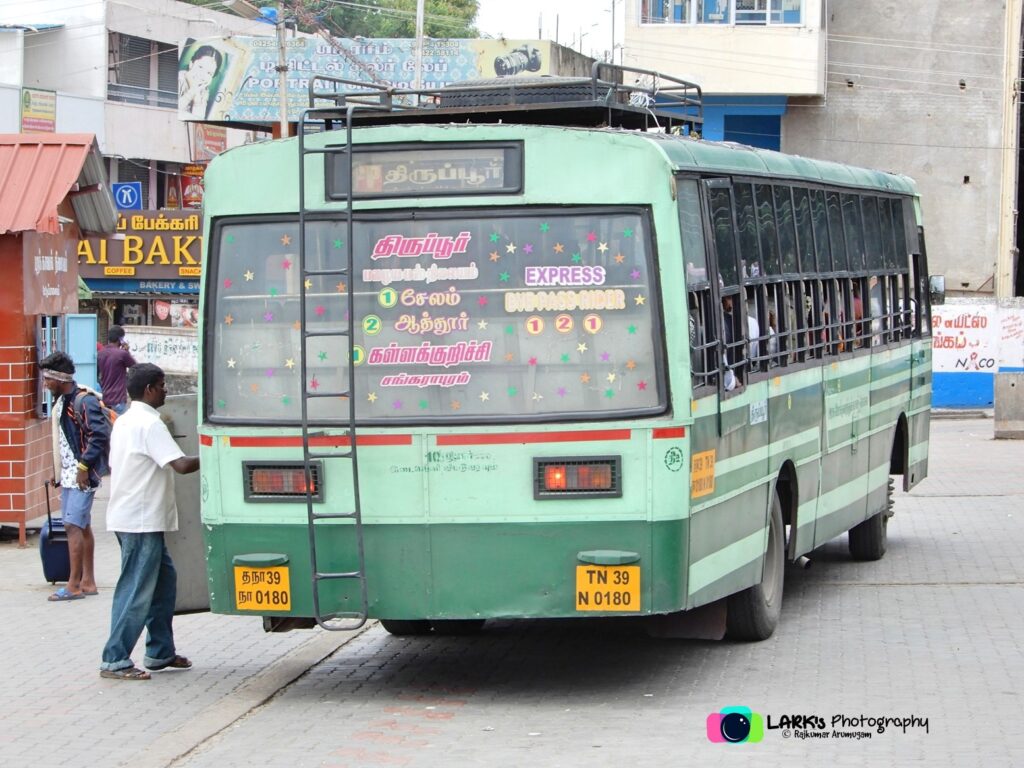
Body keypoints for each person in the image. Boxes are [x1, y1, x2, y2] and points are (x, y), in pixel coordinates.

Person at [99, 363, 199, 681]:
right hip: (140, 521)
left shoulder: (127, 420)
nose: (166, 391)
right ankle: (115, 658)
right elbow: (181, 465)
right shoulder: (149, 424)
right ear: (149, 390)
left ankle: (159, 651)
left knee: (164, 585)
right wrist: (216, 452)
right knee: (137, 589)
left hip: (134, 517)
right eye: (162, 385)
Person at [40, 351, 110, 602]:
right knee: (82, 525)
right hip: (70, 474)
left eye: (48, 379)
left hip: (82, 475)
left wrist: (82, 467)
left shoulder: (84, 400)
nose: (45, 384)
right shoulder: (63, 401)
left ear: (59, 378)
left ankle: (74, 585)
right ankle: (88, 582)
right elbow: (63, 442)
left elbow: (99, 435)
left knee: (73, 526)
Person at [97, 325, 136, 415]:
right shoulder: (122, 354)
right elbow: (135, 367)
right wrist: (127, 351)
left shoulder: (101, 353)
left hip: (105, 399)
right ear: (120, 339)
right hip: (118, 400)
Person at [178, 44, 223, 119]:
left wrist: (197, 98)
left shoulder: (204, 90)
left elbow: (199, 118)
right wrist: (192, 91)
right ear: (191, 64)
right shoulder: (180, 78)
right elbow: (173, 111)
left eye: (209, 73)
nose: (203, 75)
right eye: (200, 67)